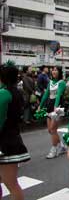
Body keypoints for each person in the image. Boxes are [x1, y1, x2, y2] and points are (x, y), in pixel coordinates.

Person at [0, 62, 31, 200]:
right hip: (12, 138)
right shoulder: (17, 92)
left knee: (11, 184)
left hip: (4, 142)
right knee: (11, 183)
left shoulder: (4, 93)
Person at [39, 66, 67, 159]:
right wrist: (40, 106)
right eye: (53, 70)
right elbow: (46, 94)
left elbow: (59, 94)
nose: (54, 71)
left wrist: (56, 107)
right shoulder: (50, 82)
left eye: (56, 70)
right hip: (50, 105)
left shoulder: (62, 82)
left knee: (52, 129)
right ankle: (62, 146)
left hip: (58, 106)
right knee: (50, 130)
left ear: (59, 72)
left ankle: (54, 149)